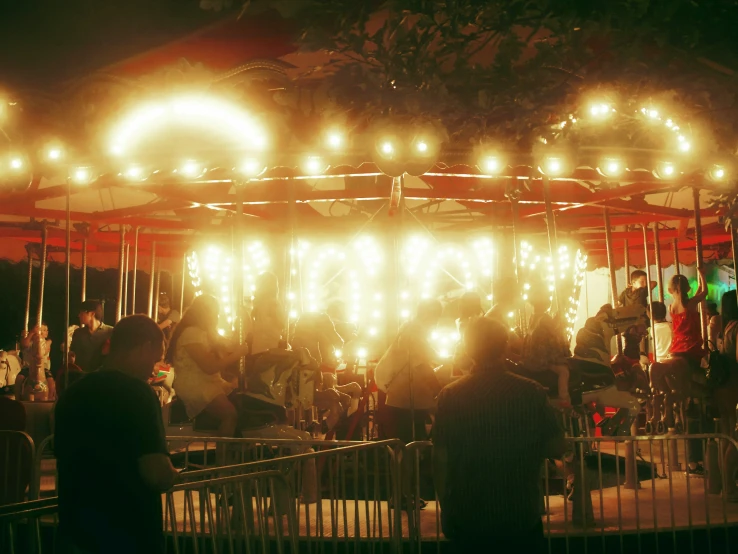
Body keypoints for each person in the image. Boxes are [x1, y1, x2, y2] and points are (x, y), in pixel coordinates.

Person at [433, 316, 565, 552]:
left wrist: (447, 507)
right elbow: (556, 446)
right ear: (505, 346)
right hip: (519, 511)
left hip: (468, 513)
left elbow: (441, 458)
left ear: (468, 349)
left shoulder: (450, 395)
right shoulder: (531, 391)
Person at [55, 315, 179, 554]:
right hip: (127, 532)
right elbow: (155, 472)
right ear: (145, 347)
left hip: (77, 531)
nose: (152, 369)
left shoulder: (73, 393)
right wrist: (172, 474)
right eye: (154, 360)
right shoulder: (139, 394)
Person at [166, 294, 247, 438]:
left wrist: (244, 324)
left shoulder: (206, 333)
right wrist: (238, 354)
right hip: (195, 384)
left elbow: (229, 345)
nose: (216, 316)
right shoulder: (191, 333)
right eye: (214, 313)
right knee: (230, 415)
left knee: (239, 398)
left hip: (209, 381)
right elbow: (209, 367)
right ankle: (222, 457)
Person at [375, 299, 443, 444]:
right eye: (436, 317)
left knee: (412, 434)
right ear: (430, 315)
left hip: (406, 394)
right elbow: (421, 362)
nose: (436, 322)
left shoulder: (411, 328)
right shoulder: (414, 332)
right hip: (406, 395)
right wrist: (438, 389)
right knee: (410, 437)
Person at [522, 288, 571, 406]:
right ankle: (563, 397)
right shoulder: (545, 318)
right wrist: (560, 323)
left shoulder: (533, 318)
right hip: (542, 358)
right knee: (564, 371)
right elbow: (553, 332)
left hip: (532, 356)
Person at [70, 300, 113, 373]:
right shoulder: (78, 333)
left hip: (102, 376)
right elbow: (73, 353)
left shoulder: (110, 332)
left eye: (81, 312)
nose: (79, 315)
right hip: (82, 377)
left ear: (92, 313)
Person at [15, 323, 56, 400]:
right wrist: (32, 333)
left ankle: (51, 399)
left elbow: (44, 351)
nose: (46, 332)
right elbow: (24, 345)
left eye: (47, 330)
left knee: (51, 382)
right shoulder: (27, 341)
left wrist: (40, 342)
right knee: (19, 379)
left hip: (43, 369)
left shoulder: (47, 342)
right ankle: (17, 399)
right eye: (43, 330)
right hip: (28, 368)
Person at [250, 272, 285, 354]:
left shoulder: (262, 303)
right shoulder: (273, 303)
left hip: (262, 342)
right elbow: (282, 322)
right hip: (267, 341)